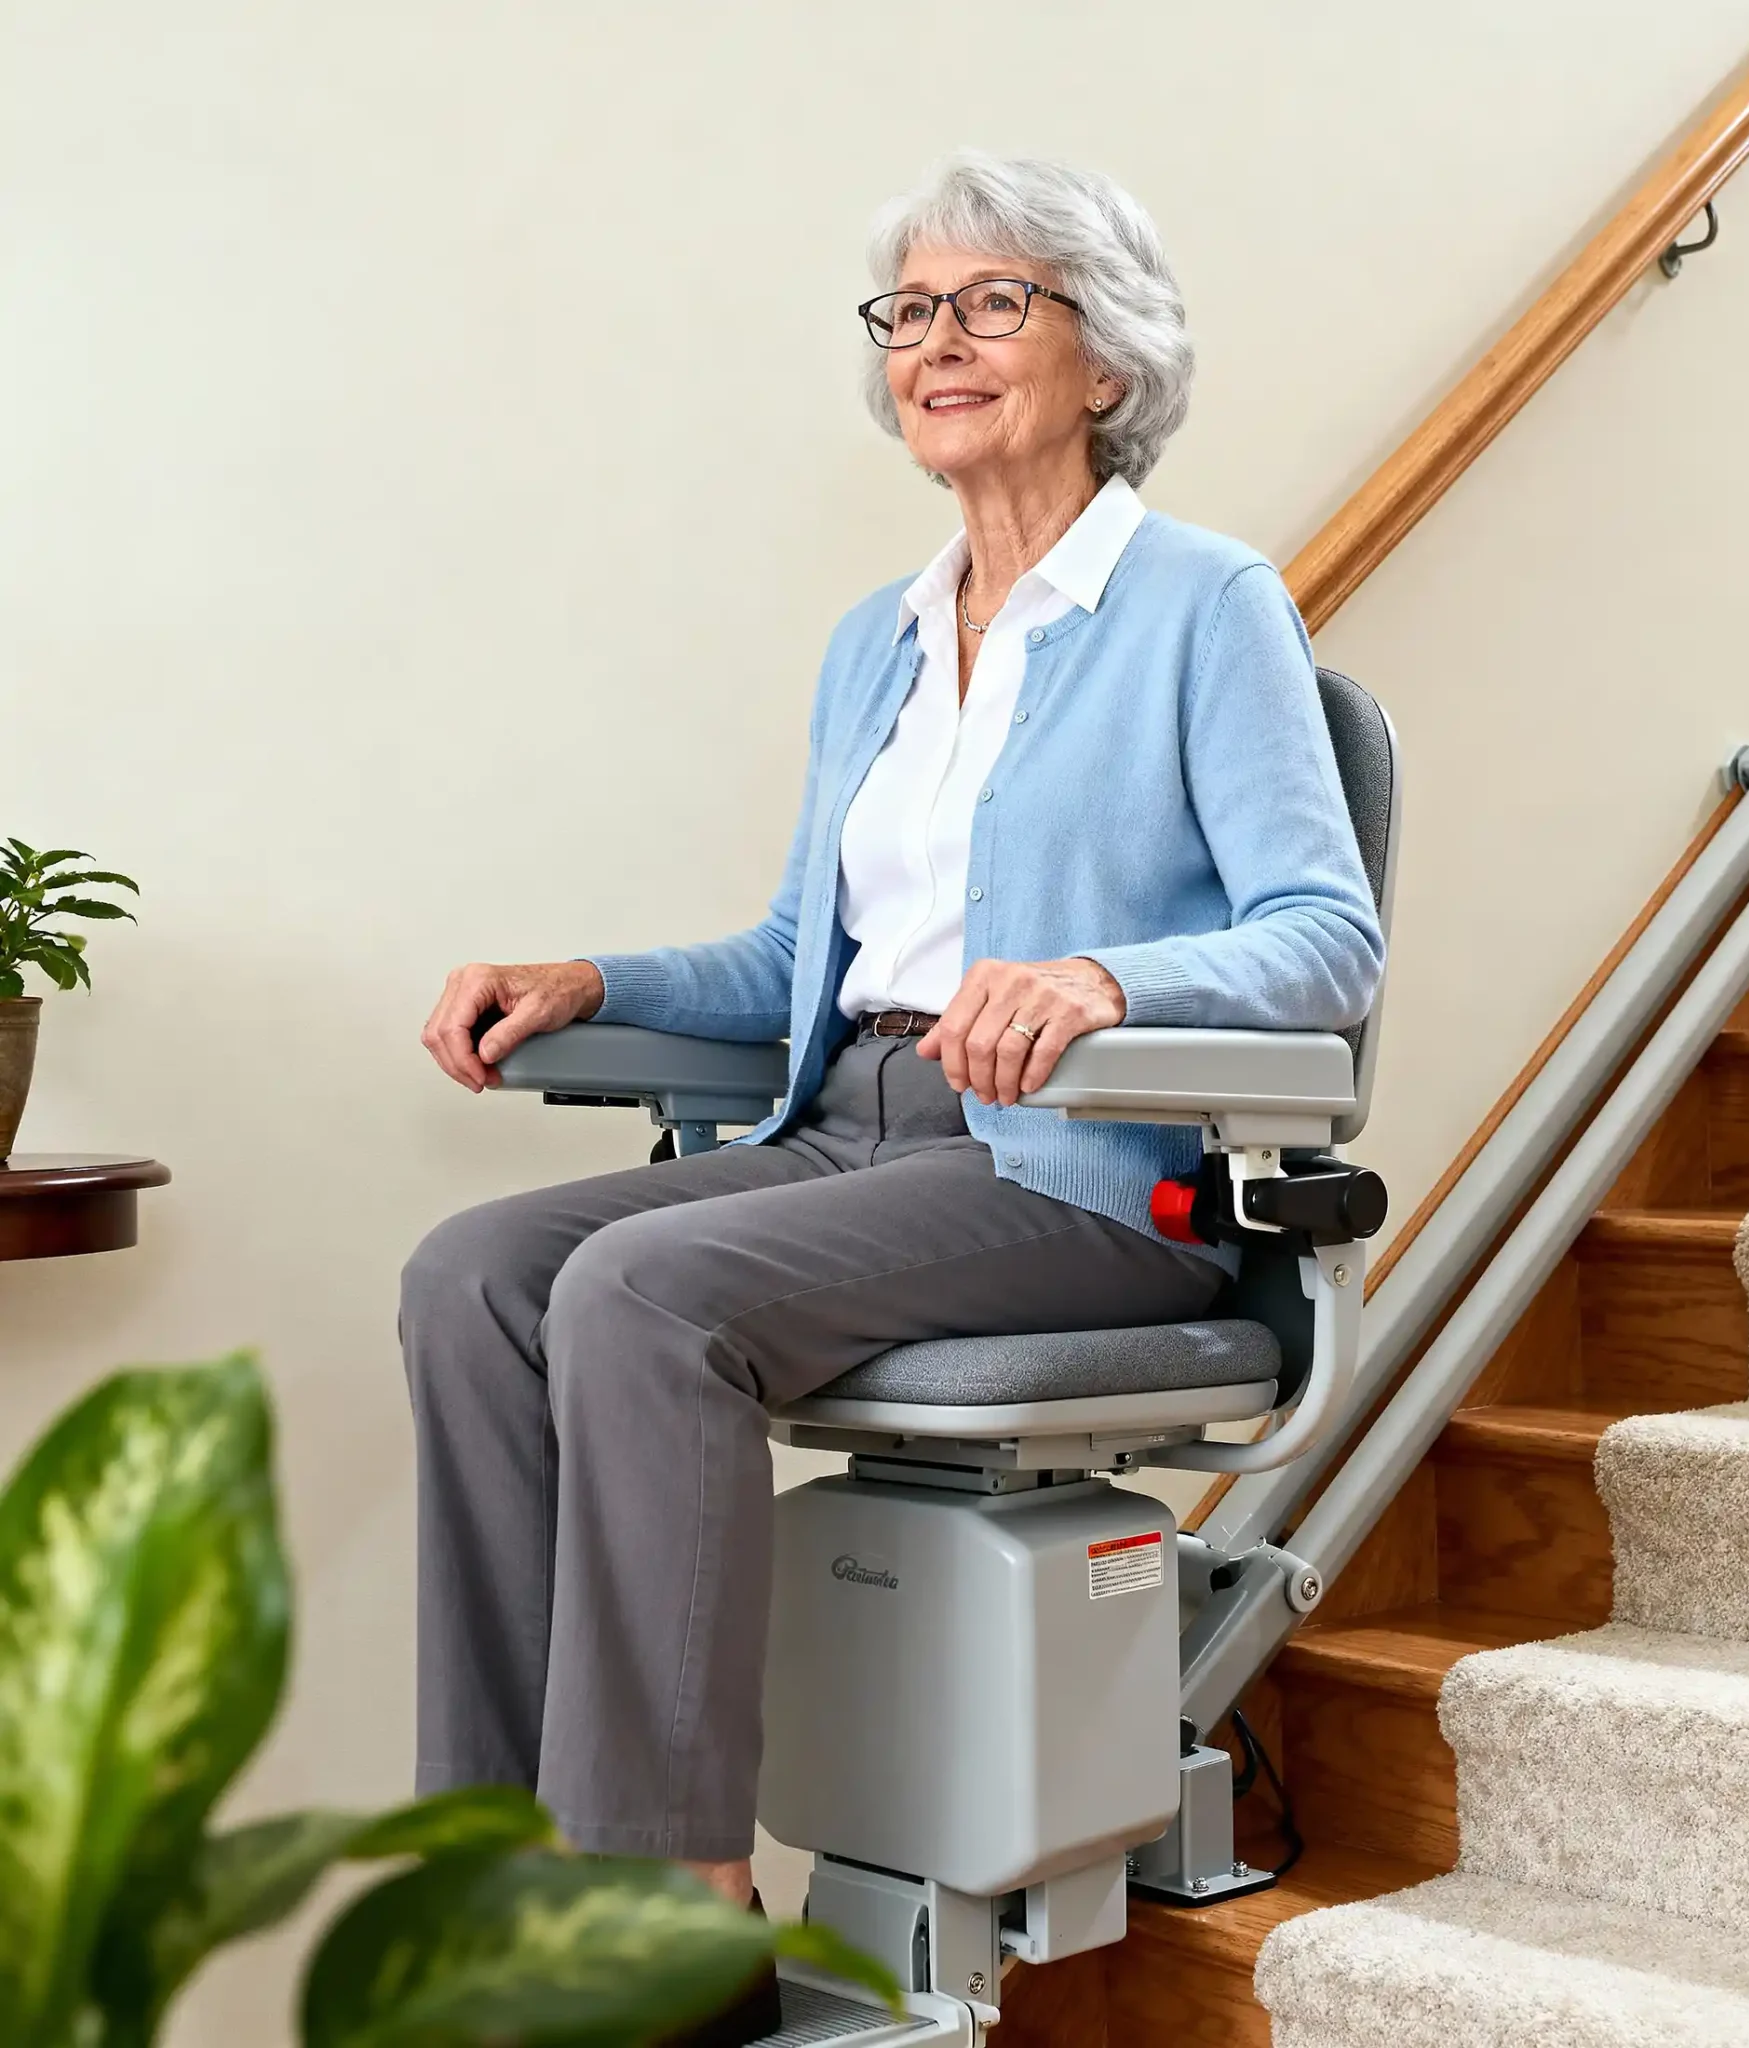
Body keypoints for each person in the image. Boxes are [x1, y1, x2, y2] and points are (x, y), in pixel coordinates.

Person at [401, 146, 1383, 2005]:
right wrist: (595, 977)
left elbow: (1325, 934)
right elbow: (798, 968)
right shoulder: (879, 638)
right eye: (913, 310)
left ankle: (679, 1904)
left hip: (1073, 1177)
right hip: (843, 1131)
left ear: (1109, 361)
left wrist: (1106, 978)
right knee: (473, 1276)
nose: (939, 341)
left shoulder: (1203, 604)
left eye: (995, 302)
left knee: (638, 1288)